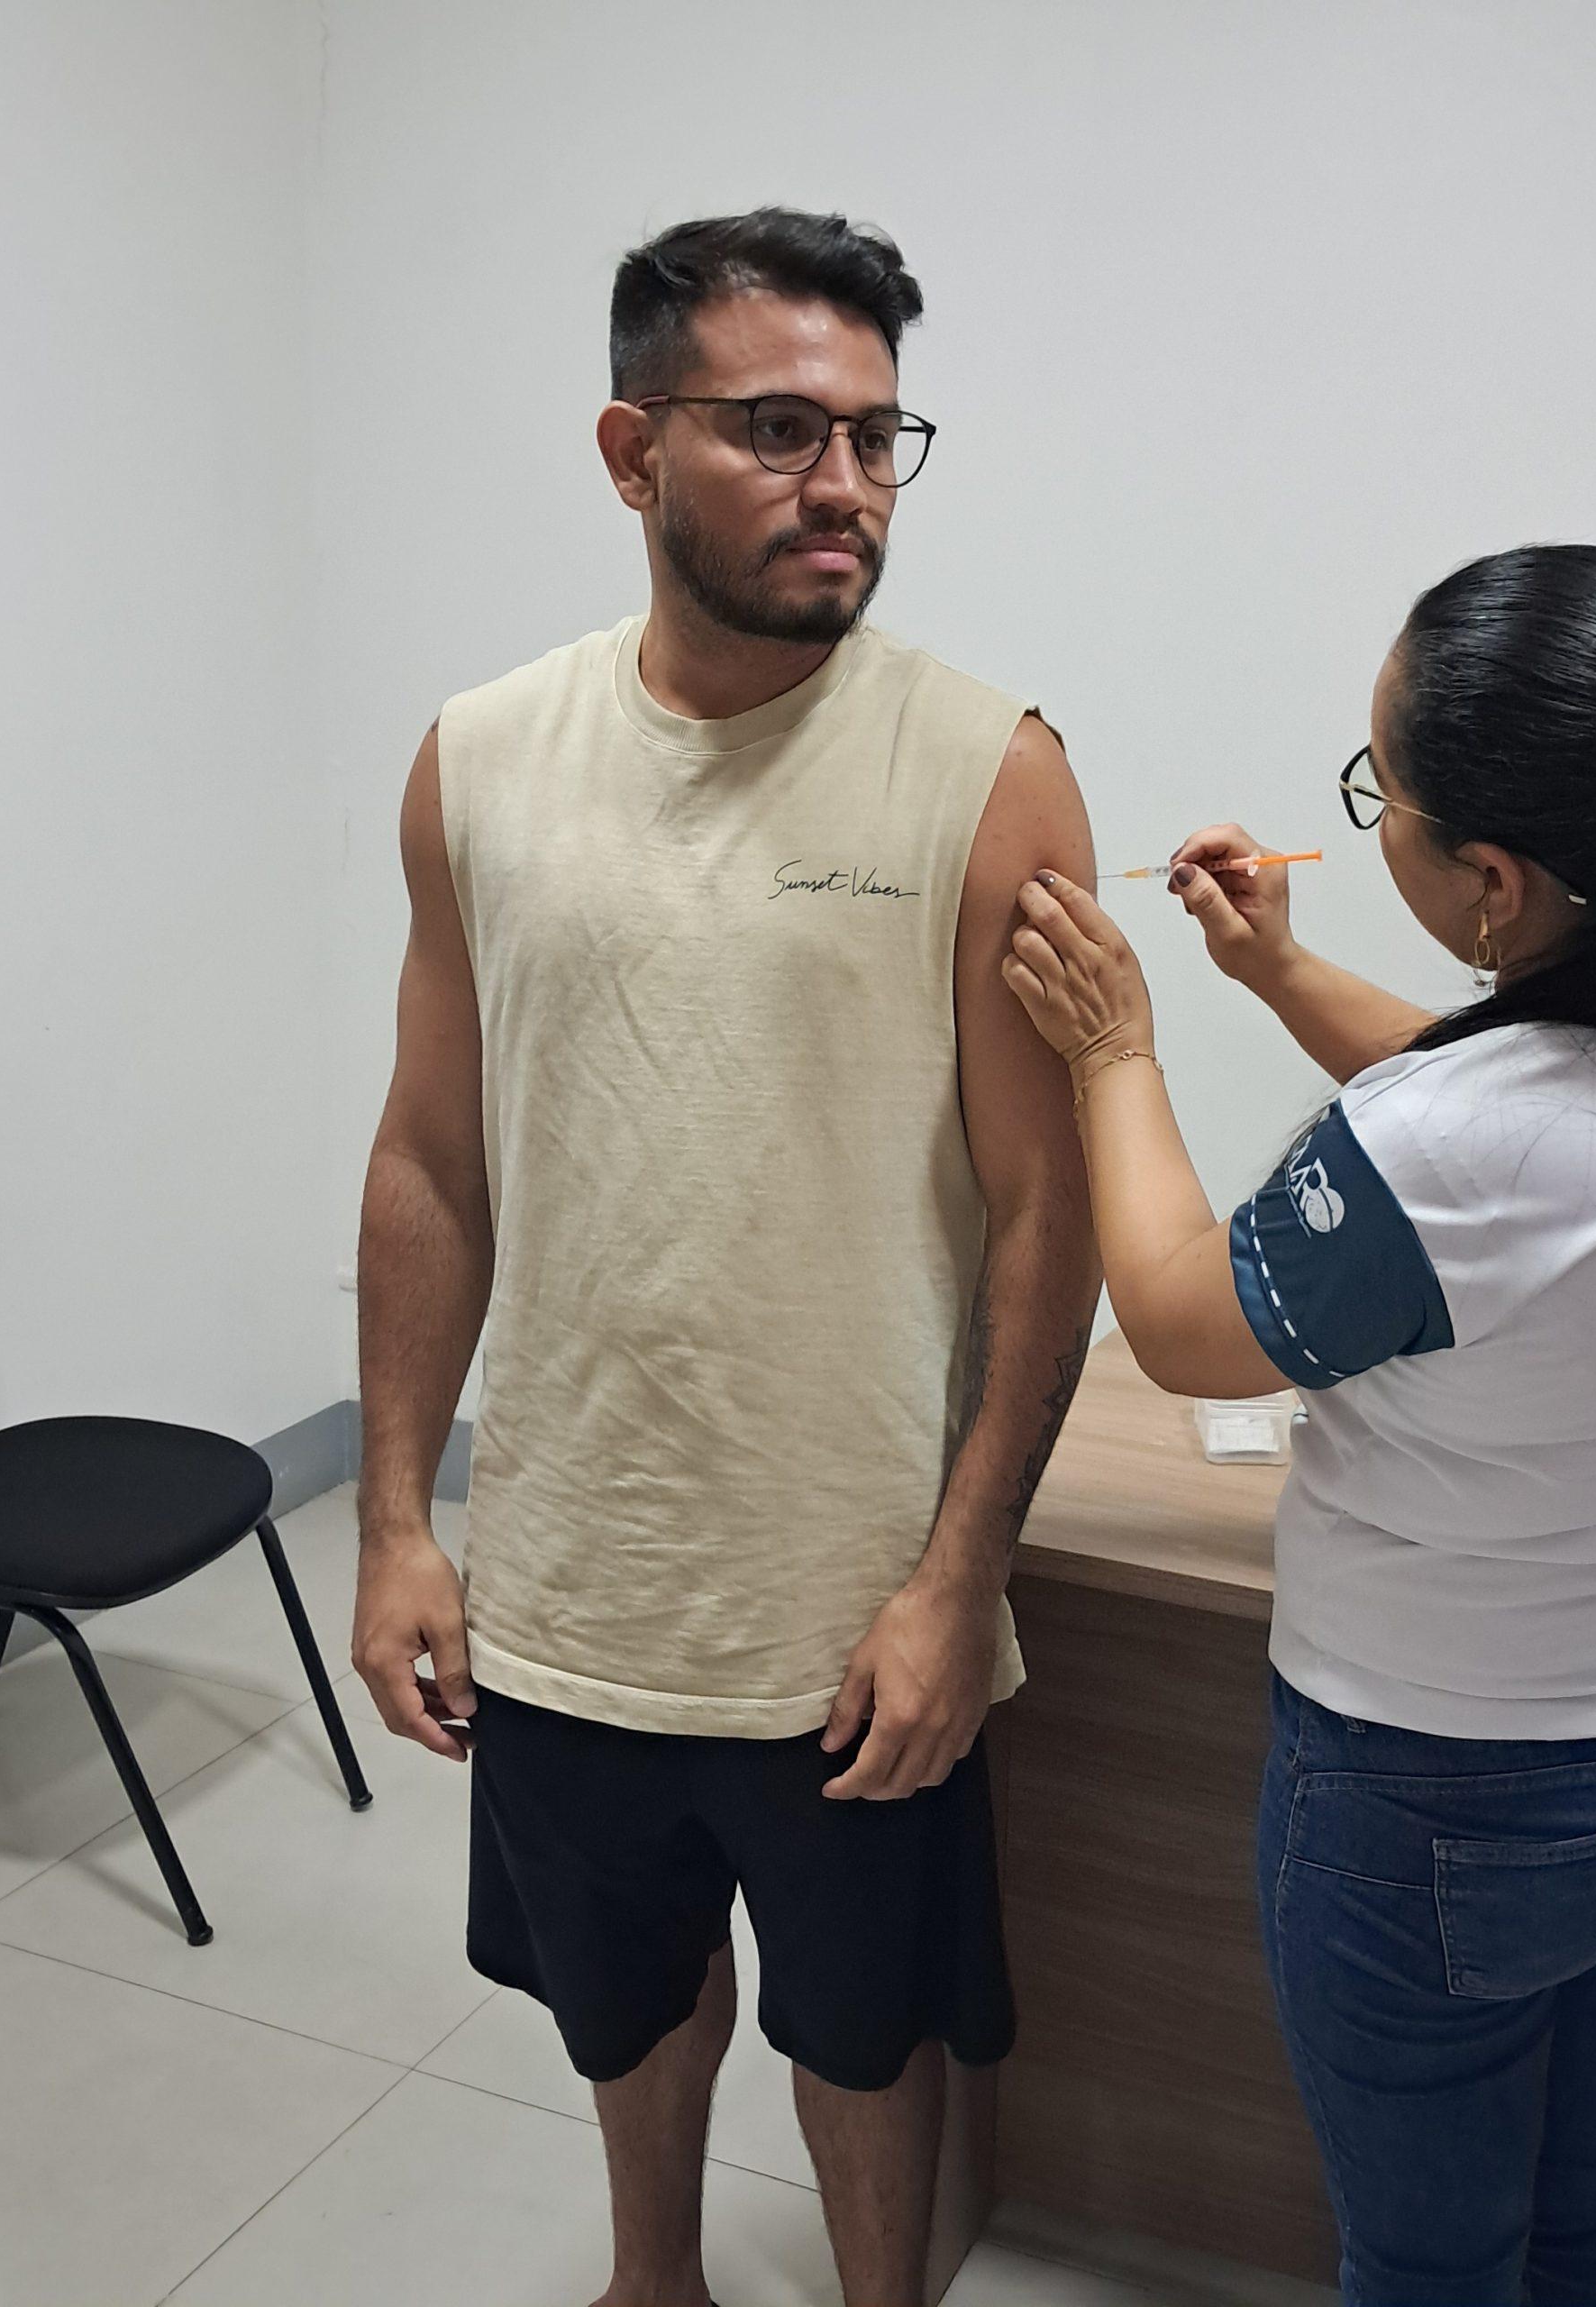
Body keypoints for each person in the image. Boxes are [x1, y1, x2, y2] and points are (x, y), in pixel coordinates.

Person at [351, 208, 1099, 2307]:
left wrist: (956, 1579)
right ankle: (649, 2279)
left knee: (864, 2028)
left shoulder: (991, 772)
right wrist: (396, 1515)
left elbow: (1044, 1216)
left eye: (875, 436)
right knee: (624, 1991)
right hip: (574, 1580)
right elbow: (430, 1156)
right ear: (631, 450)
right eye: (779, 430)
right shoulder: (478, 761)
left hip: (850, 1602)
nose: (844, 482)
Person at [1003, 544, 1596, 2307]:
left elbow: (1180, 1320)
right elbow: (1507, 1126)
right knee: (1588, 2198)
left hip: (1455, 1799)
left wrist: (1112, 1051)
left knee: (1430, 2258)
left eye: (1376, 788)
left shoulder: (1452, 1147)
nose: (1365, 813)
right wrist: (1278, 971)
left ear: (1491, 879)